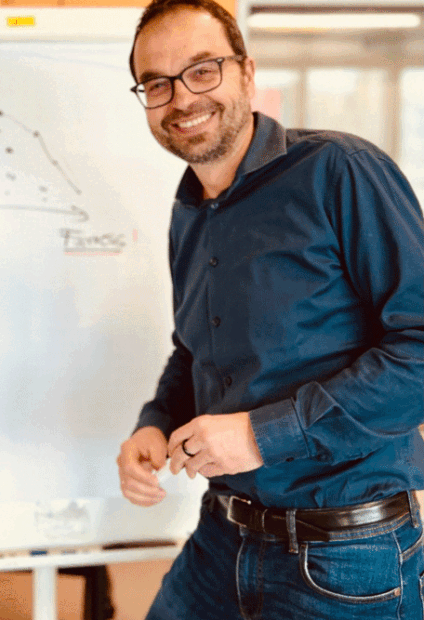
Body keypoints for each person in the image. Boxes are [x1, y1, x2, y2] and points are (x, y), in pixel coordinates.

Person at [115, 1, 424, 618]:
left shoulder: (340, 171)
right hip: (221, 538)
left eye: (203, 70)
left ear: (247, 75)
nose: (181, 98)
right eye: (157, 83)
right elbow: (193, 348)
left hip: (346, 551)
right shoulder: (188, 212)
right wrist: (154, 420)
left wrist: (262, 435)